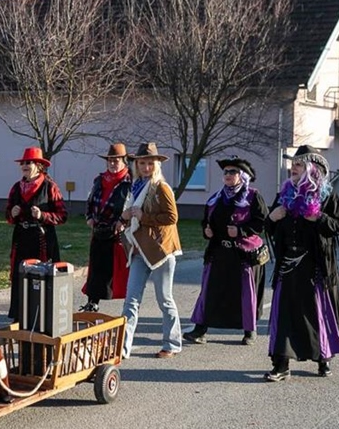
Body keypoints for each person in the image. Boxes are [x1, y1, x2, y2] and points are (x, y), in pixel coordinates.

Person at [264, 145, 339, 382]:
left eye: (298, 165)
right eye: (292, 165)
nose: (293, 168)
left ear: (311, 169)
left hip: (316, 267)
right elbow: (268, 227)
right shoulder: (284, 196)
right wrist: (272, 217)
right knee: (284, 314)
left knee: (316, 314)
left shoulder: (327, 196)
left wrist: (318, 217)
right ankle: (281, 364)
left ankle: (323, 358)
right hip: (288, 266)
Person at [184, 158, 269, 346]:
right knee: (210, 290)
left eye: (233, 172)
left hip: (242, 254)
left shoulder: (253, 197)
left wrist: (240, 231)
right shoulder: (216, 198)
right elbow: (206, 220)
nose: (228, 175)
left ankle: (249, 331)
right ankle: (200, 329)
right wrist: (206, 230)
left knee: (245, 293)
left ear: (242, 176)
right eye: (226, 172)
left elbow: (261, 221)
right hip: (219, 251)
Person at [120, 143, 183, 359]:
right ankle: (122, 348)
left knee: (164, 299)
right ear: (137, 164)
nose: (146, 167)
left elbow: (172, 217)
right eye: (142, 163)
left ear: (156, 165)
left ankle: (172, 344)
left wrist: (142, 216)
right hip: (139, 250)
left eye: (150, 163)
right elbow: (131, 214)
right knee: (131, 301)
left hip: (160, 251)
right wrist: (126, 217)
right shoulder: (135, 185)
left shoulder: (161, 187)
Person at [5, 146, 67, 319]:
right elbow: (8, 215)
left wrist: (43, 215)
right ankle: (20, 316)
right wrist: (12, 214)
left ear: (39, 165)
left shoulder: (50, 187)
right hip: (21, 237)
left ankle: (43, 315)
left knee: (42, 277)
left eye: (29, 162)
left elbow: (62, 216)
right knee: (20, 274)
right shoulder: (16, 187)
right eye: (23, 163)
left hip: (42, 239)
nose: (25, 165)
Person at [80, 143, 131, 313]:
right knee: (95, 269)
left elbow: (132, 206)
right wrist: (89, 218)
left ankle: (130, 306)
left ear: (124, 161)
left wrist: (123, 223)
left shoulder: (129, 181)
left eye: (116, 160)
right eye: (110, 160)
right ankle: (92, 303)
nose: (113, 163)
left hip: (118, 233)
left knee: (120, 271)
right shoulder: (99, 180)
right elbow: (90, 201)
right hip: (99, 230)